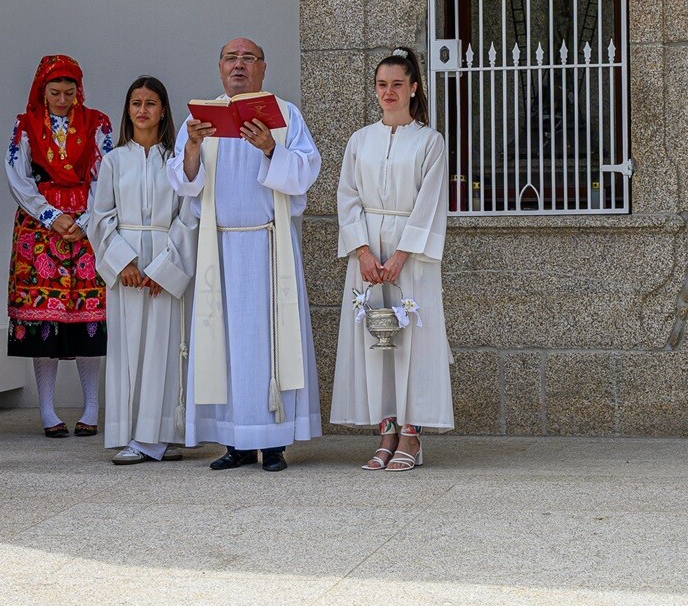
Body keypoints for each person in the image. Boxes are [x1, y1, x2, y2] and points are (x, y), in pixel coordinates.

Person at [168, 38, 321, 472]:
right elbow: (182, 181)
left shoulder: (286, 115)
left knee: (270, 340)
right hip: (219, 248)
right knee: (227, 343)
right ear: (219, 67)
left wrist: (271, 148)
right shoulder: (200, 119)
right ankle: (234, 442)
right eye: (231, 58)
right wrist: (194, 147)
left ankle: (273, 444)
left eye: (248, 58)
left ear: (263, 68)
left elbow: (308, 170)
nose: (239, 65)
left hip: (269, 246)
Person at [331, 49, 452, 471]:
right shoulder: (360, 140)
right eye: (382, 85)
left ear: (413, 87)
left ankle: (412, 435)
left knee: (412, 342)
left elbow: (430, 203)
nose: (389, 92)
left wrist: (401, 255)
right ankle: (385, 431)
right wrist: (362, 251)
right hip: (367, 255)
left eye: (397, 84)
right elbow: (347, 197)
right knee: (375, 342)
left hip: (411, 257)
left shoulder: (429, 141)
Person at [84, 76, 197, 465]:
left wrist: (163, 269)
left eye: (151, 103)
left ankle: (161, 435)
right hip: (127, 267)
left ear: (163, 110)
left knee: (165, 349)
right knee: (128, 348)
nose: (143, 110)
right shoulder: (114, 161)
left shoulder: (177, 162)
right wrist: (123, 263)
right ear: (127, 110)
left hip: (164, 261)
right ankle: (132, 435)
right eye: (136, 103)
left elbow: (188, 217)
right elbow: (99, 218)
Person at [5, 55, 114, 437]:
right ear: (42, 91)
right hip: (39, 229)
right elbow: (18, 178)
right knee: (43, 318)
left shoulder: (98, 123)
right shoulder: (25, 125)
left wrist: (85, 220)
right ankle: (48, 410)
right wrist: (51, 216)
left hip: (85, 226)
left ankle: (91, 407)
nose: (63, 99)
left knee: (87, 315)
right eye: (55, 92)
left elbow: (105, 172)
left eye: (70, 92)